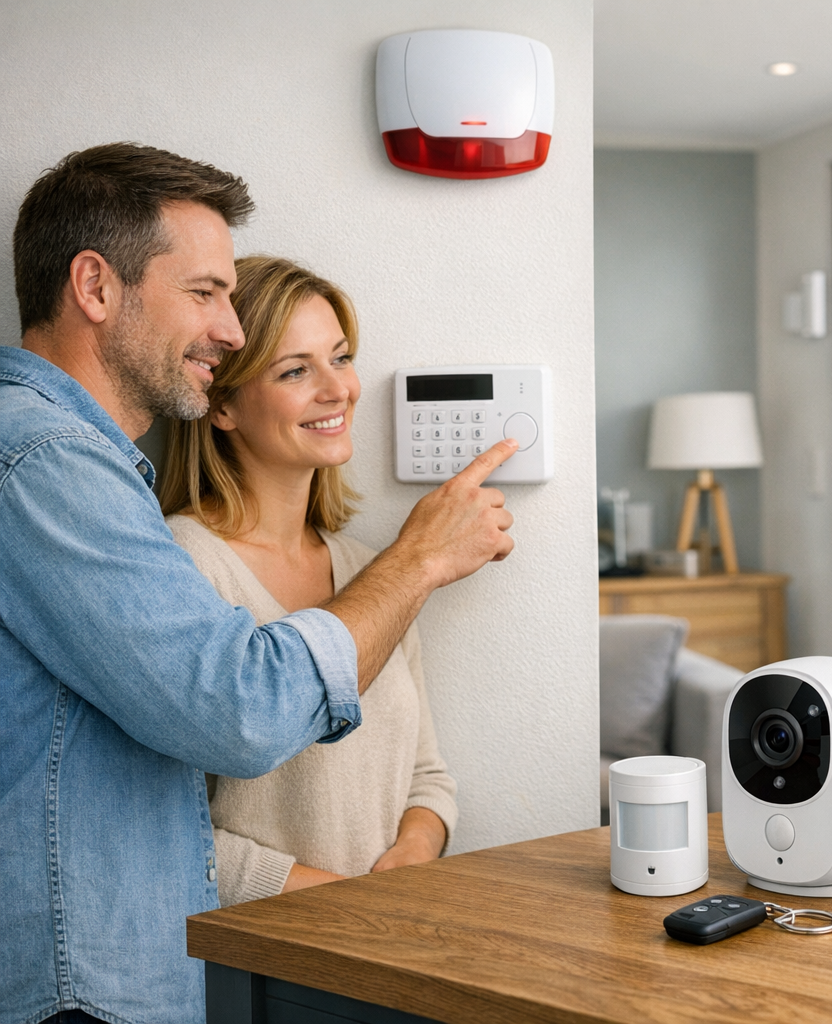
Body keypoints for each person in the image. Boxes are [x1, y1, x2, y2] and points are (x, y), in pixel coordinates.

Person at [0, 143, 516, 1024]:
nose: (229, 330)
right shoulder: (46, 461)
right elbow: (237, 711)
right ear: (94, 287)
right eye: (204, 293)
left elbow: (420, 773)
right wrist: (420, 558)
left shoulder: (84, 469)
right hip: (94, 992)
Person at [161, 255, 457, 901]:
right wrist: (341, 904)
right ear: (222, 406)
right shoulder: (182, 563)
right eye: (296, 370)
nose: (338, 389)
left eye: (341, 357)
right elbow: (161, 825)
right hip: (258, 957)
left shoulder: (370, 569)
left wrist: (414, 852)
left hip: (379, 932)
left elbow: (426, 776)